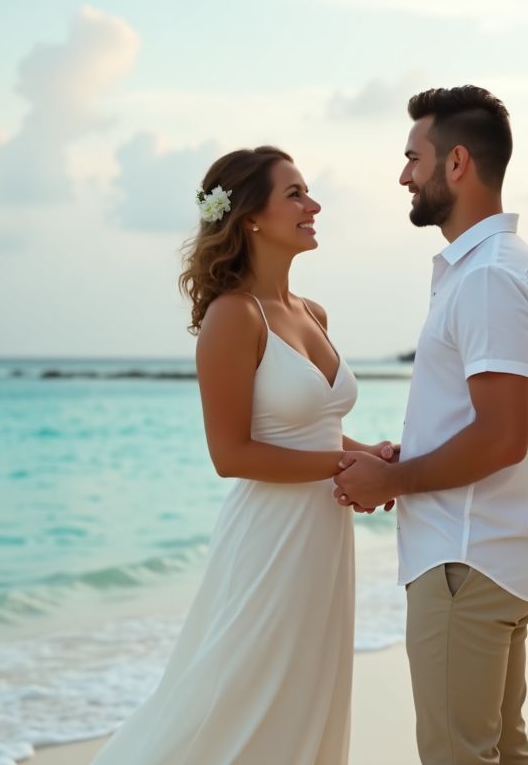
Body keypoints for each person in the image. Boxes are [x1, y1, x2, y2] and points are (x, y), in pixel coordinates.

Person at [92, 146, 392, 765]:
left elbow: (317, 434)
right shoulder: (233, 316)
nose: (313, 205)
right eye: (296, 194)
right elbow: (230, 454)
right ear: (250, 217)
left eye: (307, 192)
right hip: (270, 540)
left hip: (322, 537)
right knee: (234, 696)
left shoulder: (313, 312)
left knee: (307, 694)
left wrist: (380, 459)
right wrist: (347, 469)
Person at [334, 86, 528, 765]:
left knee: (459, 756)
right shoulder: (499, 266)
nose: (404, 175)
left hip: (465, 559)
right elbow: (486, 422)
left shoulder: (488, 275)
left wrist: (394, 478)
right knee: (499, 752)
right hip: (493, 551)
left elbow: (500, 436)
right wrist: (410, 459)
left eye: (414, 158)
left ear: (456, 163)